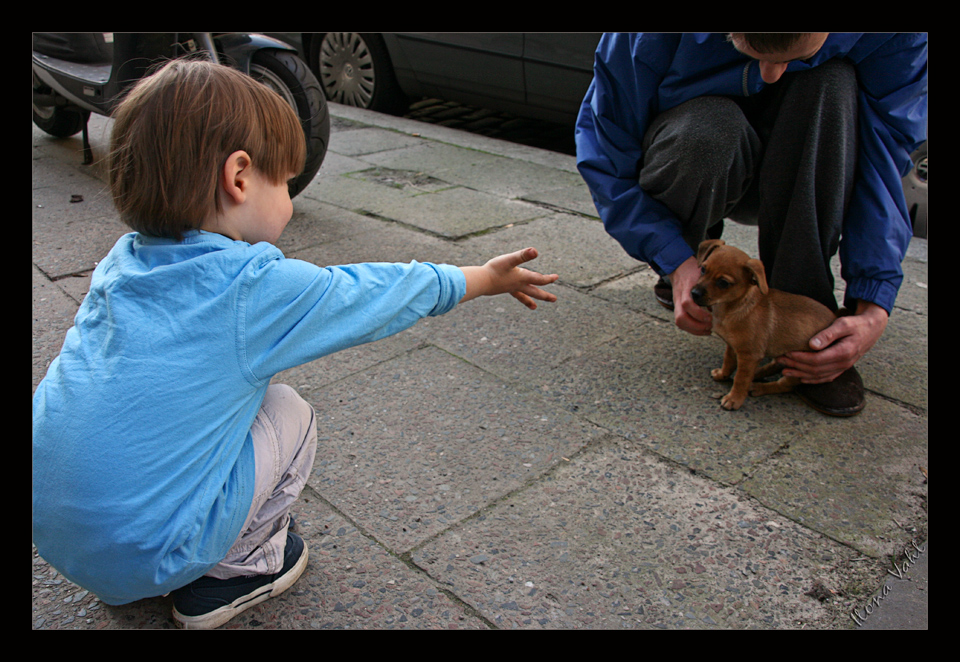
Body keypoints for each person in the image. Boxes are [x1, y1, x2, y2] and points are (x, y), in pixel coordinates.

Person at [32, 59, 559, 629]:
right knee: (289, 411)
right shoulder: (249, 289)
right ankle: (238, 572)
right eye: (283, 181)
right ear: (239, 178)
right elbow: (369, 295)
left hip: (57, 539)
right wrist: (478, 278)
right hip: (147, 552)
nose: (288, 196)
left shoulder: (122, 262)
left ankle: (136, 552)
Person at [575, 33, 927, 416]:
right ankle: (692, 259)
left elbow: (886, 153)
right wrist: (672, 255)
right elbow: (608, 155)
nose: (772, 75)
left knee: (831, 81)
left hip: (805, 160)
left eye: (798, 56)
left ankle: (805, 324)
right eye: (751, 53)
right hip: (703, 149)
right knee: (709, 132)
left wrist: (873, 302)